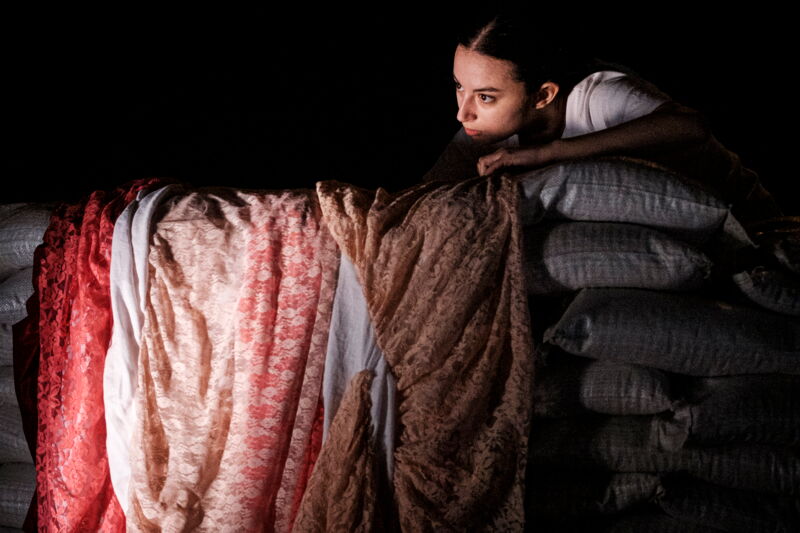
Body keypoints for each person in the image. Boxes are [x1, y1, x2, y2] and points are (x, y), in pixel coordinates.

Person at [421, 12, 783, 224]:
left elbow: (690, 126)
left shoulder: (599, 95)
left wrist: (550, 153)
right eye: (459, 87)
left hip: (750, 219)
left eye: (485, 97)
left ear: (543, 95)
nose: (463, 112)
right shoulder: (481, 130)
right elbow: (424, 197)